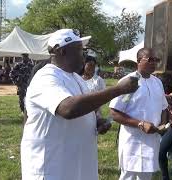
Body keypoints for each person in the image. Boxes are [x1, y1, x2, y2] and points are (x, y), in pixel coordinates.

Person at [21, 29, 139, 180]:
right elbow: (68, 108)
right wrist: (118, 89)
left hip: (75, 166)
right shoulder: (46, 77)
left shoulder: (76, 78)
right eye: (79, 50)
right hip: (52, 168)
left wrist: (96, 121)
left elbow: (83, 107)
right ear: (61, 51)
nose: (83, 55)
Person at [109, 47, 168, 180]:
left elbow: (164, 107)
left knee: (146, 176)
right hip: (133, 141)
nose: (154, 63)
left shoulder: (157, 82)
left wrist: (163, 124)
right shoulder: (129, 82)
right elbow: (115, 112)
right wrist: (140, 124)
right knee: (129, 175)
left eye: (156, 60)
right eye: (150, 60)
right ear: (138, 61)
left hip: (152, 140)